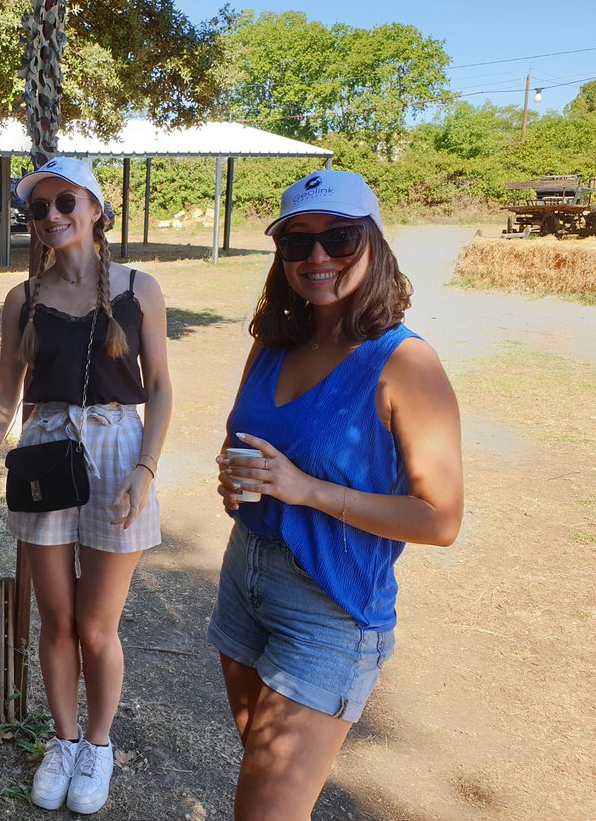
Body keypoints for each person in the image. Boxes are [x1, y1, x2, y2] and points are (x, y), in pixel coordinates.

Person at [211, 170, 464, 817]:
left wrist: (305, 490)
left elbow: (440, 520)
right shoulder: (275, 341)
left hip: (330, 609)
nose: (317, 258)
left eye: (340, 238)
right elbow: (245, 436)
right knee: (264, 787)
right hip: (246, 578)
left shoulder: (405, 363)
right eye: (297, 243)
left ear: (373, 243)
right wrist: (235, 474)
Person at [0, 156, 172, 814]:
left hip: (117, 449)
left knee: (96, 627)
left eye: (64, 202)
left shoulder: (140, 287)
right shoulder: (23, 299)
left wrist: (145, 467)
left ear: (95, 209)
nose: (51, 216)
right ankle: (65, 739)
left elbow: (161, 388)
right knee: (56, 622)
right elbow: (4, 395)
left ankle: (99, 747)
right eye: (39, 208)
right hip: (46, 452)